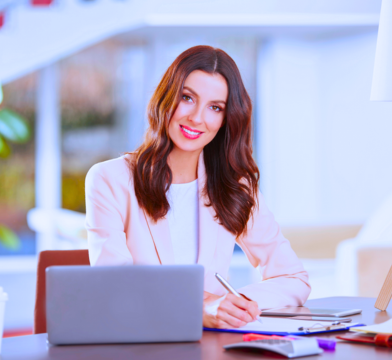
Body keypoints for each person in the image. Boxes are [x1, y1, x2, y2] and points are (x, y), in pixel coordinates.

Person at [85, 45, 311, 329]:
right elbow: (114, 288)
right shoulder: (109, 179)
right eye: (187, 98)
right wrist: (199, 305)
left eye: (215, 107)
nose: (197, 118)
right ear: (167, 98)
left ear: (226, 119)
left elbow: (293, 279)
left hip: (210, 346)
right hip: (138, 342)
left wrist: (233, 305)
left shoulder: (234, 185)